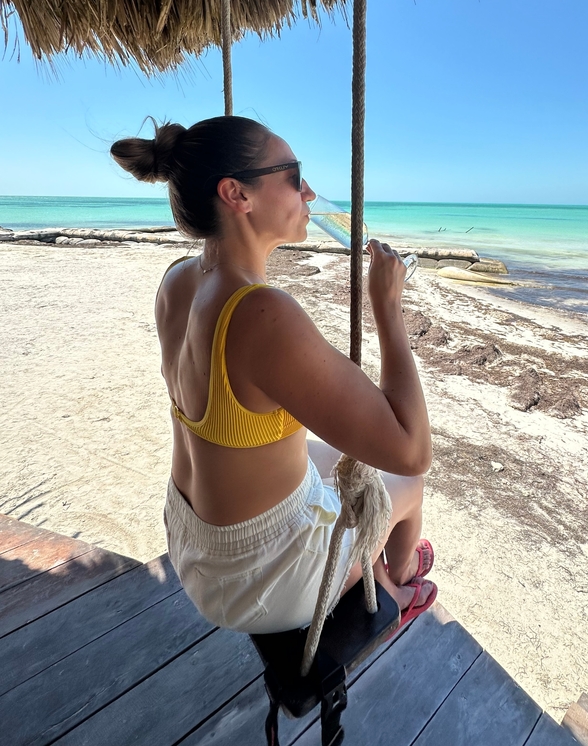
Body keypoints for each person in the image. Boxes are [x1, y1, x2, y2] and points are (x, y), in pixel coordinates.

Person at [111, 115, 436, 635]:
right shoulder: (261, 314)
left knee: (346, 465)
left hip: (194, 538)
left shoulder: (177, 281)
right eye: (292, 175)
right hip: (258, 581)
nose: (308, 192)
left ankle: (372, 566)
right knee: (410, 479)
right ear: (237, 193)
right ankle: (395, 586)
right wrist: (388, 308)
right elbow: (411, 445)